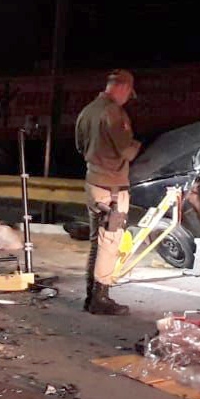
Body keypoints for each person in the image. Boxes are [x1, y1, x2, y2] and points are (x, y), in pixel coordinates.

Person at [74, 69, 140, 316]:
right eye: (128, 93)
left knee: (97, 241)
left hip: (93, 181)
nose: (127, 99)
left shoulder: (87, 111)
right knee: (109, 243)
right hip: (112, 186)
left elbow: (80, 146)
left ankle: (91, 294)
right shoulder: (113, 112)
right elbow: (126, 150)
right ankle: (100, 299)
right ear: (123, 88)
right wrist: (140, 147)